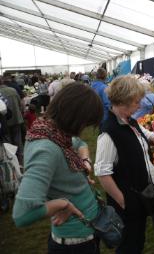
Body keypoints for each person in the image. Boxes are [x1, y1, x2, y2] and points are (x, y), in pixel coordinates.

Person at [12, 83, 103, 254]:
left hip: (84, 231)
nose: (83, 130)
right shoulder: (46, 149)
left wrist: (85, 161)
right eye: (85, 124)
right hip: (75, 242)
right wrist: (63, 204)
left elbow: (80, 144)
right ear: (76, 118)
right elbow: (21, 215)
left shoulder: (51, 132)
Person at [94, 75, 154, 254]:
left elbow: (145, 133)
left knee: (137, 240)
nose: (139, 105)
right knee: (129, 245)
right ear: (124, 102)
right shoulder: (109, 132)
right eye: (137, 102)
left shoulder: (130, 121)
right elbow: (102, 172)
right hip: (128, 203)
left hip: (139, 198)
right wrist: (122, 200)